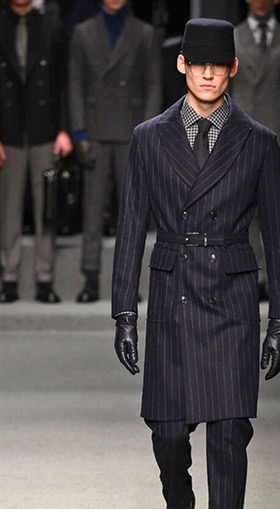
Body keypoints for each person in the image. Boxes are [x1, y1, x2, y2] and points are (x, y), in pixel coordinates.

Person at [111, 18, 280, 509]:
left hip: (232, 298)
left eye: (220, 64)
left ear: (233, 69)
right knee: (168, 433)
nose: (209, 73)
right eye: (199, 63)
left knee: (229, 435)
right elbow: (131, 227)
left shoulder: (259, 142)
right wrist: (123, 313)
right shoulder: (149, 138)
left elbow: (277, 235)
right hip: (173, 294)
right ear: (182, 65)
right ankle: (179, 506)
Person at [69, 0, 162, 303]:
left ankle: (128, 283)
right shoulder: (83, 32)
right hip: (95, 130)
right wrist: (79, 131)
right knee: (92, 210)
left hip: (131, 132)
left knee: (131, 214)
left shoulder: (145, 33)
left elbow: (153, 85)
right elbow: (76, 83)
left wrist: (148, 132)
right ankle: (90, 279)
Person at [0, 0, 72, 303]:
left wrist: (64, 129)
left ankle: (45, 279)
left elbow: (63, 82)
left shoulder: (51, 27)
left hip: (44, 128)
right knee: (9, 209)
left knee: (47, 209)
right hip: (8, 131)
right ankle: (9, 278)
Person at [230, 0, 280, 302]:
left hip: (278, 135)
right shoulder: (232, 37)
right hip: (240, 135)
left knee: (276, 213)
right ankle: (252, 276)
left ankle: (276, 279)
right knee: (243, 213)